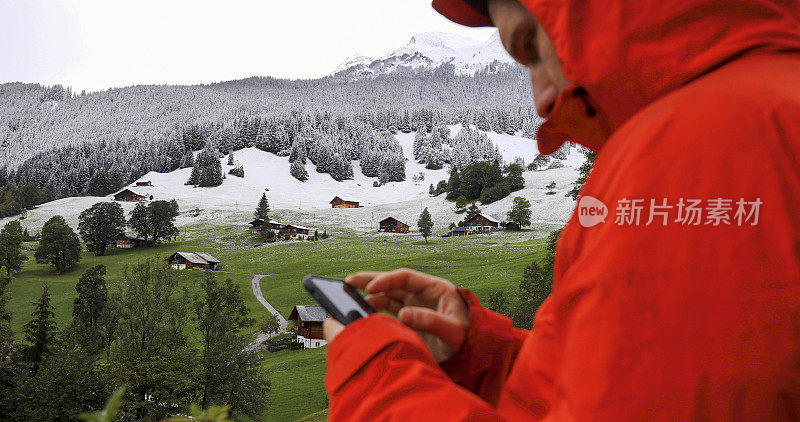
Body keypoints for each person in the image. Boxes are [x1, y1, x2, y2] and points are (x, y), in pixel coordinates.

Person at [323, 0, 800, 419]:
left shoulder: (694, 151)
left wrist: (374, 373)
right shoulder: (767, 104)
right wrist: (482, 358)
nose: (543, 101)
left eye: (532, 46)